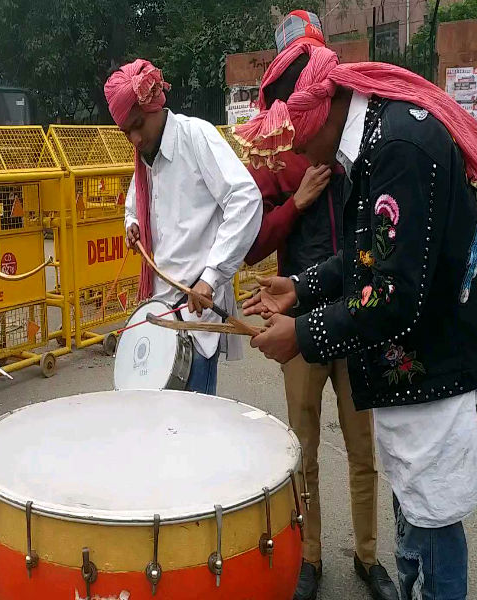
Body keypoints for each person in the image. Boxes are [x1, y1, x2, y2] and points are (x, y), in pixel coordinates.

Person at [237, 40, 477, 600]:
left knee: (434, 528)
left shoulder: (397, 146)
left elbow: (390, 292)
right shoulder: (377, 138)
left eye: (295, 134)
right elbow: (371, 254)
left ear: (322, 111)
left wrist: (302, 333)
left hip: (433, 372)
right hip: (416, 370)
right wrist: (300, 285)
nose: (295, 147)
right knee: (418, 515)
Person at [244, 12, 391, 600]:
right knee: (302, 448)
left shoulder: (358, 140)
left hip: (356, 313)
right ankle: (308, 557)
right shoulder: (279, 150)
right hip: (299, 318)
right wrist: (299, 202)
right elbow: (255, 241)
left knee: (363, 448)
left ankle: (367, 557)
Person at [105, 59, 262, 394]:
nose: (133, 138)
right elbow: (135, 201)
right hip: (161, 308)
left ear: (155, 107)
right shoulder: (145, 157)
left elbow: (245, 198)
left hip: (196, 309)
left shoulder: (196, 136)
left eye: (137, 125)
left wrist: (211, 277)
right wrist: (132, 222)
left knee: (192, 430)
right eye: (125, 132)